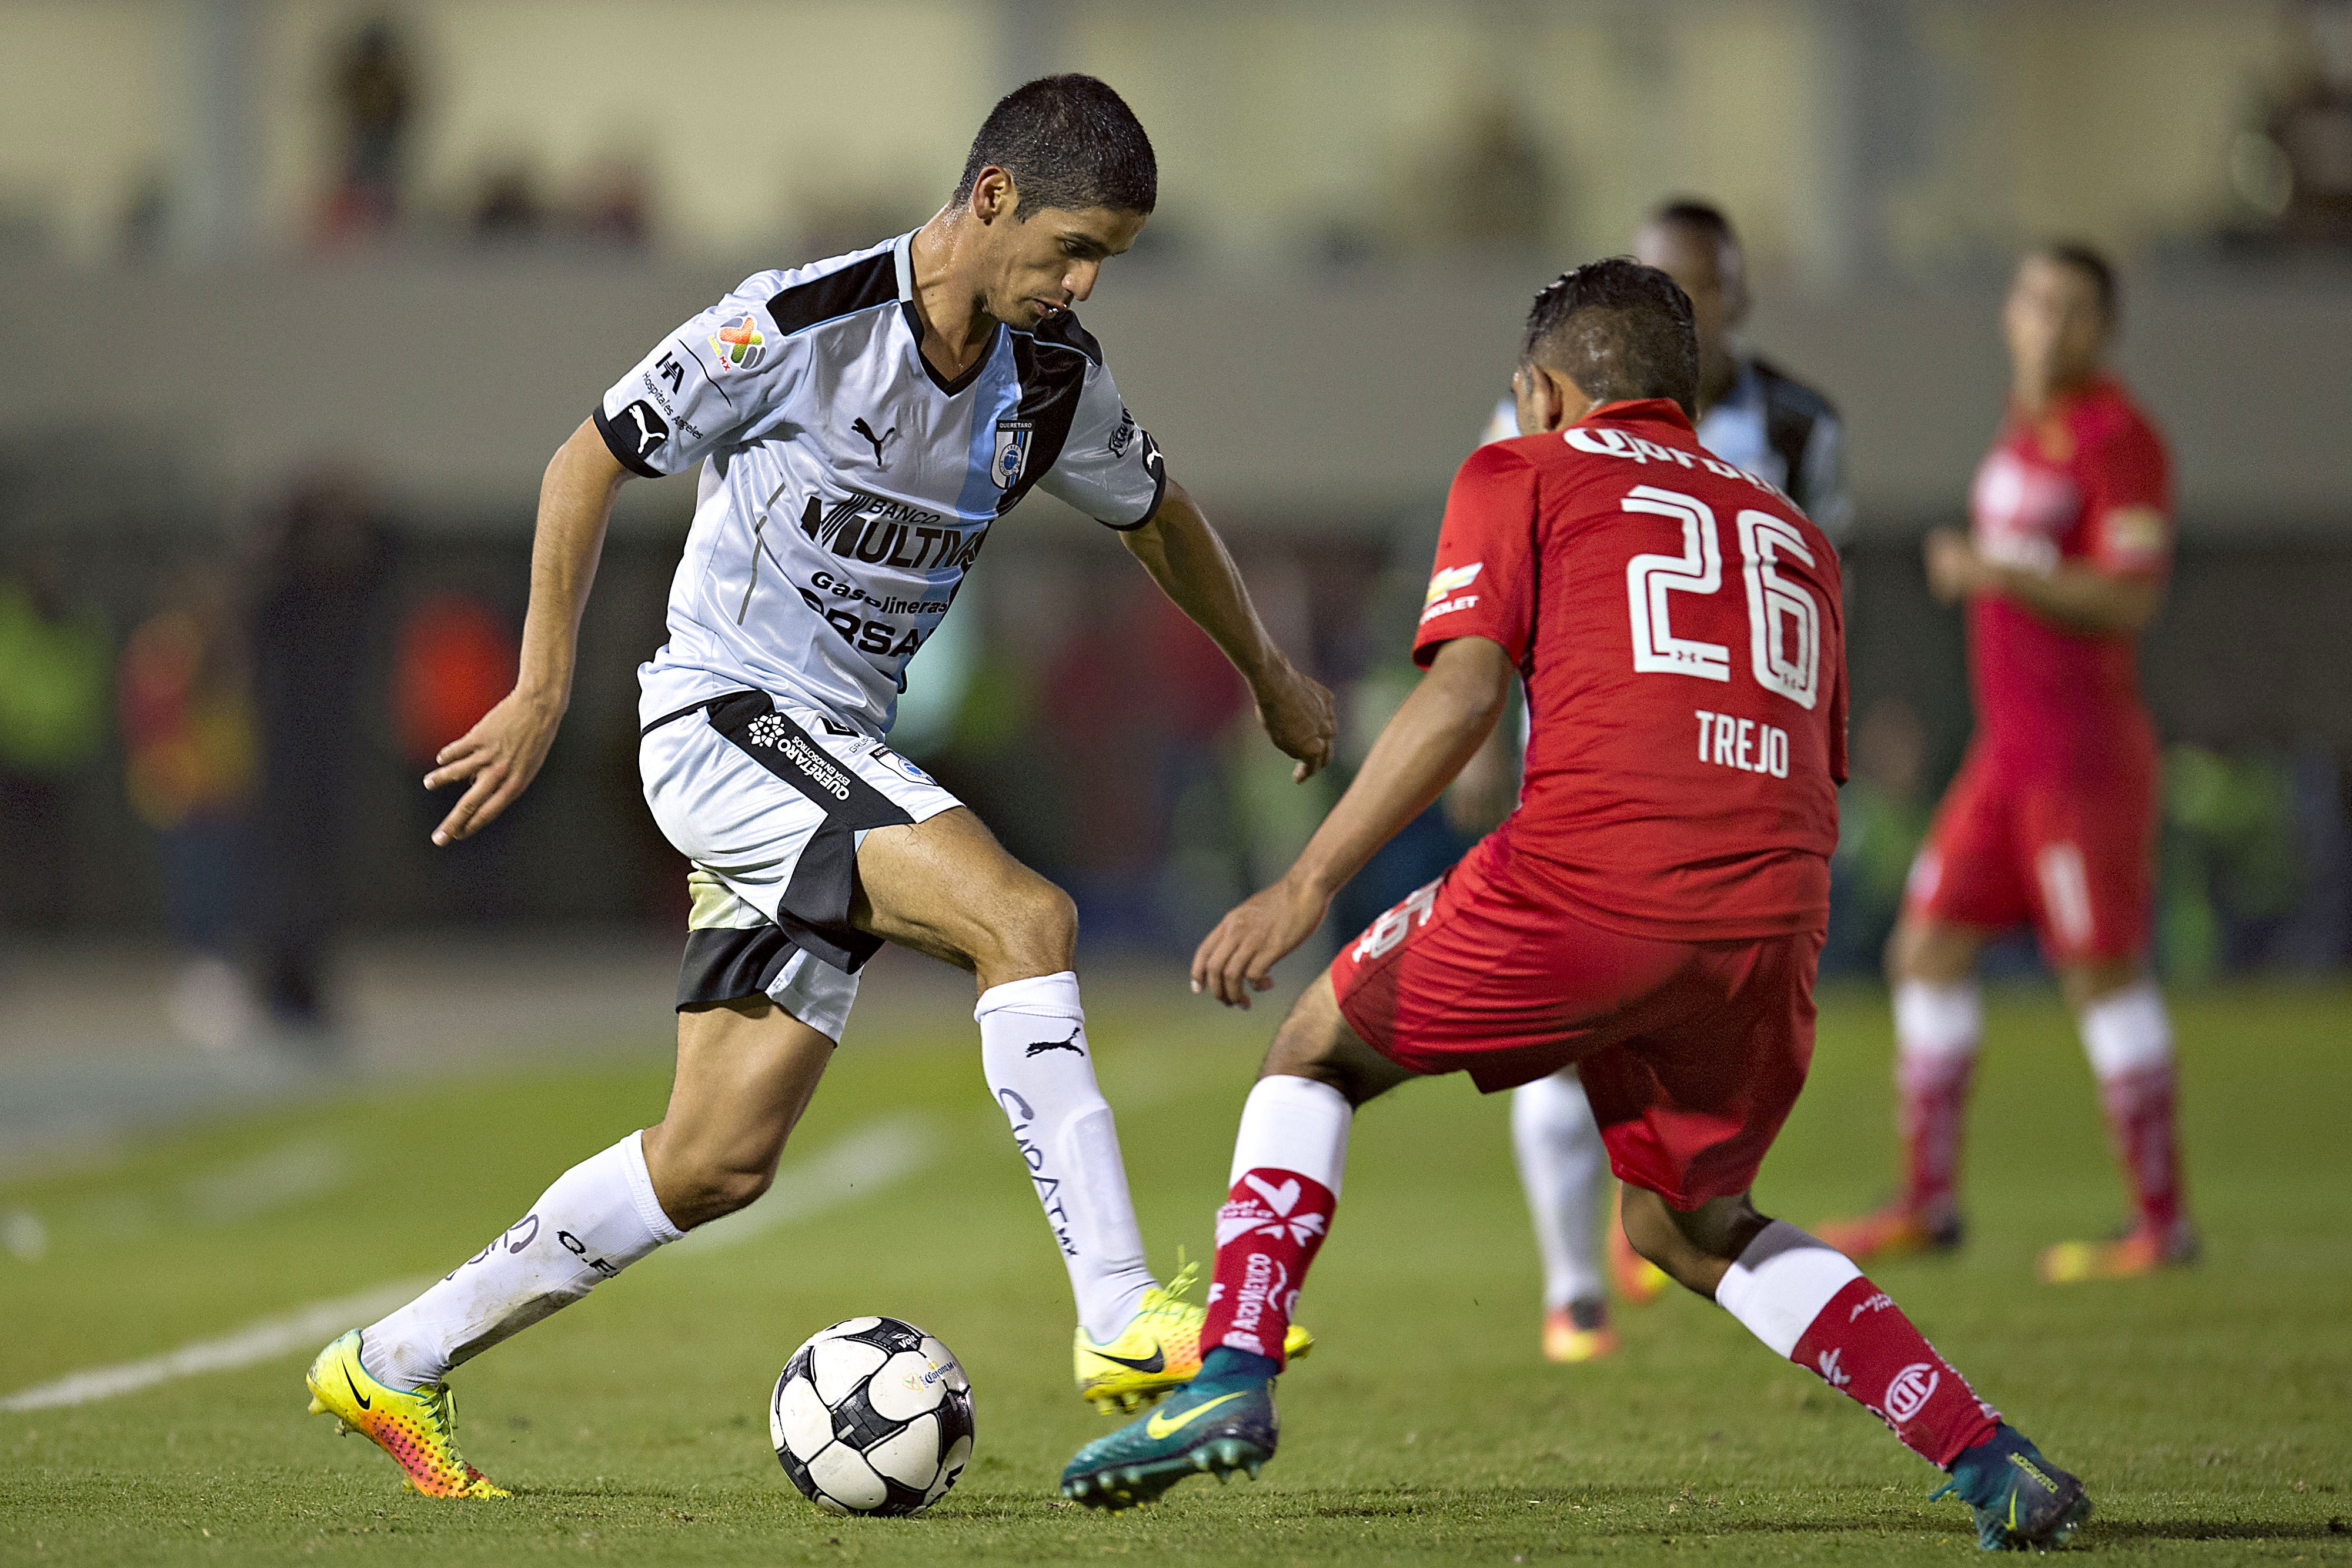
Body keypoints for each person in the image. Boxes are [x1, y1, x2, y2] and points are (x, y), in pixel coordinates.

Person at [302, 75, 1334, 1499]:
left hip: (836, 749)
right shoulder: (796, 323)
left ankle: (390, 1363)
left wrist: (1268, 669)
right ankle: (1116, 1317)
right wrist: (543, 683)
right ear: (990, 200)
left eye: (1109, 259)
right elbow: (585, 457)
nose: (1085, 281)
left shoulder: (1049, 381)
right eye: (1071, 247)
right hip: (725, 716)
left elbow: (1157, 516)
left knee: (714, 1159)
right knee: (1024, 919)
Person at [1060, 259, 2091, 1552]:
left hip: (1592, 876)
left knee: (1312, 1050)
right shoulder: (1795, 534)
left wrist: (1304, 883)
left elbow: (1458, 694)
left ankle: (1225, 1374)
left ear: (1544, 388)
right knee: (1686, 1217)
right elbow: (1798, 761)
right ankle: (1983, 1450)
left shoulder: (1521, 470)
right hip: (1772, 915)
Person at [1495, 199, 1852, 1363]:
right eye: (1659, 284)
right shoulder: (1542, 404)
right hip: (1584, 766)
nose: (1679, 306)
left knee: (1328, 1045)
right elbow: (1500, 591)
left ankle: (1660, 1221)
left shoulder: (1798, 426)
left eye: (1699, 287)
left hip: (1730, 783)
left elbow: (1816, 592)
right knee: (1555, 1035)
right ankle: (1570, 1290)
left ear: (1734, 301)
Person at [1816, 245, 2191, 1285]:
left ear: (2102, 328)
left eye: (2074, 308)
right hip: (2006, 757)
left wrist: (1995, 572)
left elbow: (2131, 596)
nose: (2050, 324)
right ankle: (1927, 1203)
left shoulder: (2121, 440)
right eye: (2035, 301)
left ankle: (2163, 1221)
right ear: (2011, 317)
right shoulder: (2030, 428)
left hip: (2081, 760)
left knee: (2100, 973)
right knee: (1925, 947)